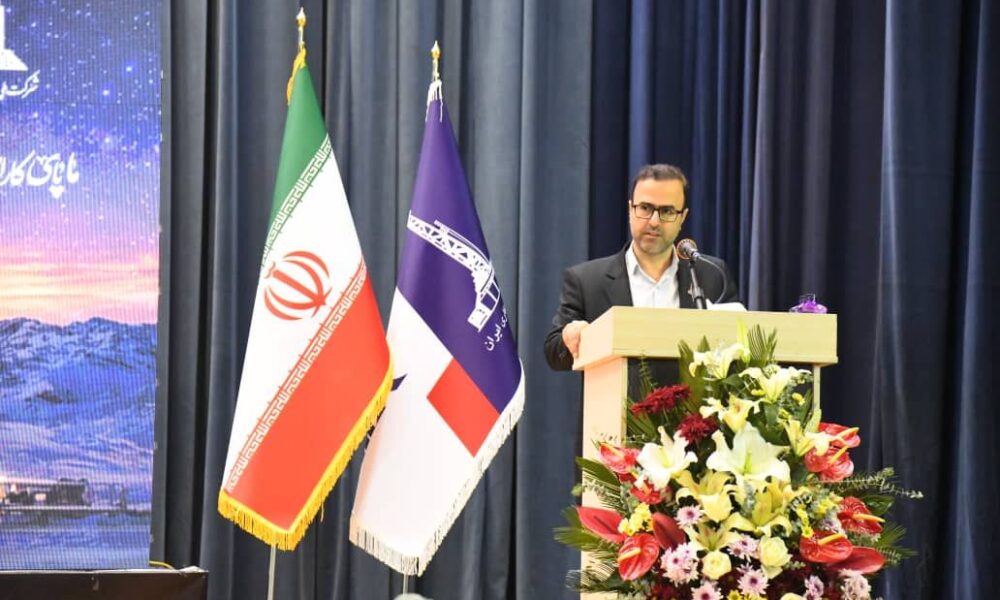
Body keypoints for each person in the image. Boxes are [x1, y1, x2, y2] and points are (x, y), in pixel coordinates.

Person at [544, 164, 739, 371]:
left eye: (667, 211)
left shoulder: (711, 275)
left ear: (682, 217)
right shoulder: (588, 281)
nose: (654, 222)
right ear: (630, 210)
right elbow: (554, 353)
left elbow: (740, 347)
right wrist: (569, 337)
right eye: (645, 208)